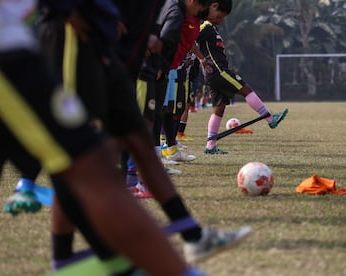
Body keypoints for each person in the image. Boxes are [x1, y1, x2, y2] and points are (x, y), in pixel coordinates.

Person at [0, 1, 203, 274]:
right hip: (15, 49)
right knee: (89, 165)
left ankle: (106, 261)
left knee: (90, 164)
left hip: (28, 44)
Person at [39, 0, 251, 268]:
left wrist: (146, 35)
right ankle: (70, 257)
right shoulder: (175, 9)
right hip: (82, 50)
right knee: (80, 160)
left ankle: (193, 236)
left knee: (140, 143)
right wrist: (73, 12)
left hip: (125, 64)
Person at [196, 0, 289, 154]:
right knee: (246, 90)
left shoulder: (213, 28)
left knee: (219, 109)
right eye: (219, 16)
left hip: (214, 73)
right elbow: (189, 39)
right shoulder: (205, 27)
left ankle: (210, 147)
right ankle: (270, 119)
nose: (221, 20)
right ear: (212, 7)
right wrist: (200, 58)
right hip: (219, 71)